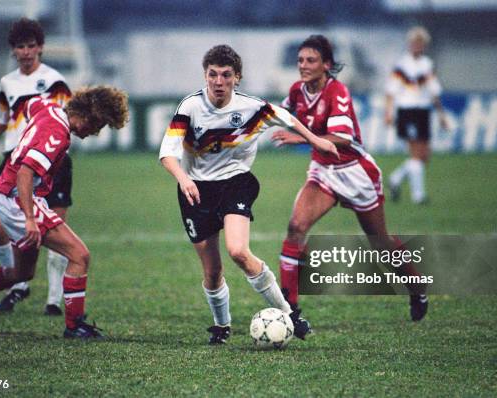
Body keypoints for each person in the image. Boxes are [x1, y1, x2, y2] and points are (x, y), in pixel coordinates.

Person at [159, 44, 339, 344]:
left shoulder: (252, 107)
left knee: (239, 251)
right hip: (195, 190)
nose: (218, 82)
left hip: (235, 183)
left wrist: (315, 141)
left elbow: (288, 118)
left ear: (237, 77)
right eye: (212, 75)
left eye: (226, 75)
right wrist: (183, 179)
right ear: (205, 76)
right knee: (212, 270)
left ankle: (289, 315)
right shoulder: (190, 107)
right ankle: (222, 326)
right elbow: (167, 153)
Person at [0, 86, 129, 338]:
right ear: (88, 117)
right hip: (18, 200)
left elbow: (25, 102)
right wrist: (30, 219)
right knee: (79, 255)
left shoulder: (49, 107)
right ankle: (74, 326)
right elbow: (25, 172)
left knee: (22, 273)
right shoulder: (57, 134)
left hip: (11, 196)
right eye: (99, 125)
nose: (96, 132)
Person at [273, 35, 429, 322]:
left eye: (311, 60)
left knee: (380, 244)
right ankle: (290, 310)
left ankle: (417, 288)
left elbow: (341, 138)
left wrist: (299, 138)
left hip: (356, 173)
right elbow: (279, 114)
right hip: (323, 172)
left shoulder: (337, 92)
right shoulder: (297, 90)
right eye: (300, 60)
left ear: (326, 65)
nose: (303, 66)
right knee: (296, 227)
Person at [0, 18, 73, 316]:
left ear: (41, 47)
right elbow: (3, 116)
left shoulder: (54, 80)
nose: (27, 51)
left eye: (31, 45)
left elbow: (68, 118)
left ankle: (54, 300)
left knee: (56, 232)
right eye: (21, 46)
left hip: (49, 162)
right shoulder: (8, 82)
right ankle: (16, 284)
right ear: (14, 50)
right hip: (14, 160)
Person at [384, 26, 448, 204]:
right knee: (416, 153)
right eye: (414, 42)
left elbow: (434, 91)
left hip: (423, 111)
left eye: (420, 43)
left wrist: (441, 114)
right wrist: (388, 113)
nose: (417, 46)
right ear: (409, 44)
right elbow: (391, 91)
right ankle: (418, 196)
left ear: (424, 45)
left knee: (424, 156)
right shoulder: (402, 65)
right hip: (407, 111)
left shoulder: (427, 64)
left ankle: (395, 179)